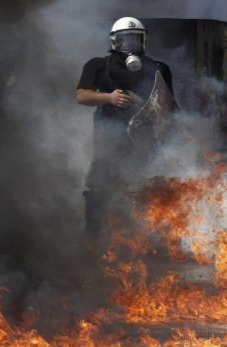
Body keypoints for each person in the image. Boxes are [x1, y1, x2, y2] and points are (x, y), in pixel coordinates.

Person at [77, 17, 175, 236]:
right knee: (101, 186)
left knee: (148, 187)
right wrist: (109, 98)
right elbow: (82, 96)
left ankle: (144, 237)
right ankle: (94, 235)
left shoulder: (159, 69)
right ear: (114, 41)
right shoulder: (98, 65)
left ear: (143, 41)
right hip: (109, 137)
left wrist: (143, 104)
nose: (130, 44)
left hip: (145, 138)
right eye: (125, 39)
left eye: (135, 38)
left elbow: (168, 106)